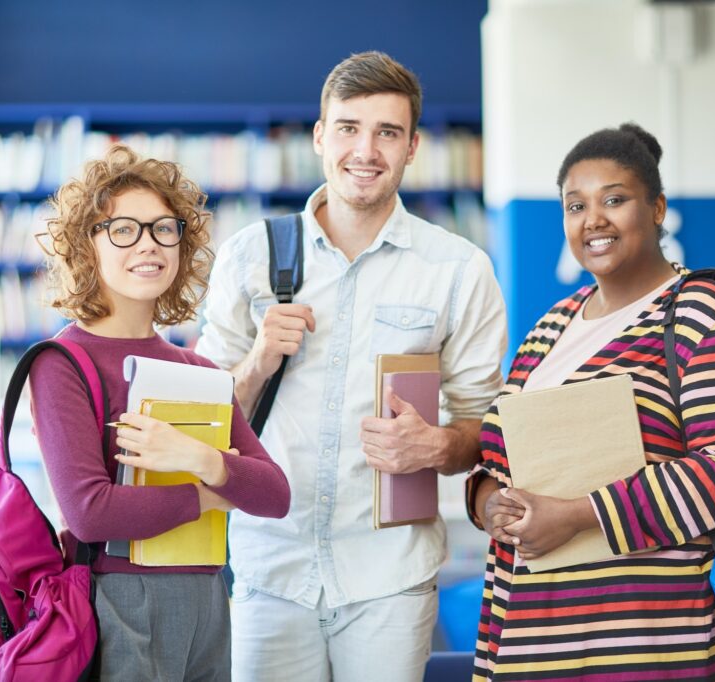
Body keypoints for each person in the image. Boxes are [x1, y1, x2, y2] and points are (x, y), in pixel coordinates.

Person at [197, 51, 507, 682]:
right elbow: (202, 419)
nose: (365, 150)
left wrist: (438, 443)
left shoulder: (457, 269)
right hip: (268, 570)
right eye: (348, 128)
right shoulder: (249, 257)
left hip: (391, 576)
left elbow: (487, 428)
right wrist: (258, 361)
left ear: (412, 146)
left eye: (387, 133)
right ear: (319, 136)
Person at [468, 123, 715, 680]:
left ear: (656, 208)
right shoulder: (550, 325)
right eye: (575, 205)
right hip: (534, 630)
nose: (594, 220)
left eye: (615, 199)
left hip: (656, 638)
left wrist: (576, 517)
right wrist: (489, 502)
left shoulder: (707, 313)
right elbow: (498, 449)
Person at [30, 144, 290, 682]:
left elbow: (274, 494)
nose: (148, 245)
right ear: (87, 247)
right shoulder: (61, 364)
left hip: (209, 594)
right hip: (118, 599)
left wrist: (198, 457)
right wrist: (208, 493)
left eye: (163, 229)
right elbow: (90, 513)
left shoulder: (195, 367)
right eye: (123, 229)